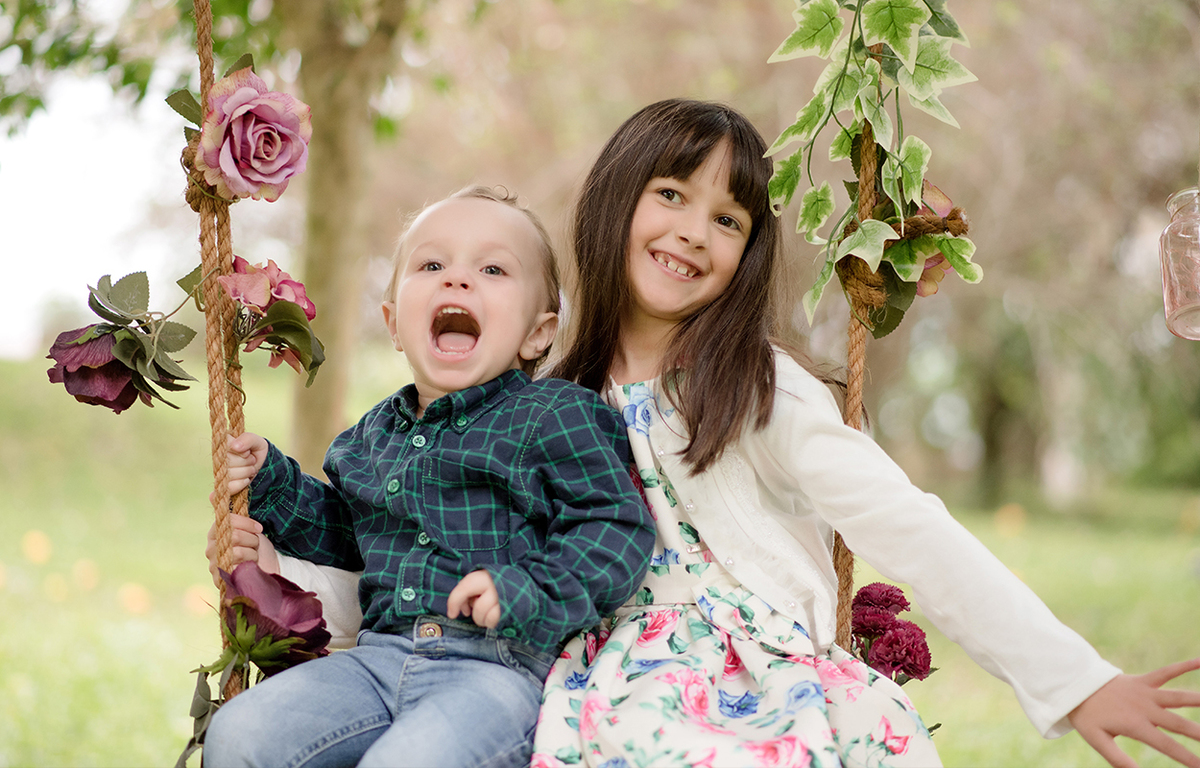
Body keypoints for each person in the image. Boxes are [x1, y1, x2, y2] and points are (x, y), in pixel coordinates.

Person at [233, 101, 1200, 768]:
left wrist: (1074, 682)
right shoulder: (543, 394)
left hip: (740, 670)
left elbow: (907, 524)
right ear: (615, 198)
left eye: (729, 218)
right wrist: (262, 547)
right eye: (671, 195)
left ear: (748, 253)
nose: (695, 230)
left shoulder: (754, 386)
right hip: (581, 675)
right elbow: (410, 538)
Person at [201, 185, 656, 768]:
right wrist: (274, 483)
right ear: (393, 323)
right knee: (240, 734)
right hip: (376, 659)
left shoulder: (553, 416)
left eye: (492, 268)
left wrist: (527, 588)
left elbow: (613, 527)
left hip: (496, 669)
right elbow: (346, 536)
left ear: (538, 334)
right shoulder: (371, 436)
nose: (457, 280)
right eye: (432, 264)